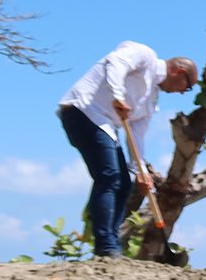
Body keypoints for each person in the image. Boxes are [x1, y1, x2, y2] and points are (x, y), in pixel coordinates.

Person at [57, 42, 198, 258]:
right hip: (84, 111)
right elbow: (115, 62)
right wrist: (118, 96)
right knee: (109, 176)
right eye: (187, 87)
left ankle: (111, 242)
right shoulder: (145, 56)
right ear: (178, 72)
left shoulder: (151, 98)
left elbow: (137, 133)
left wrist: (140, 170)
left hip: (105, 125)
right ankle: (105, 245)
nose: (182, 93)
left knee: (124, 182)